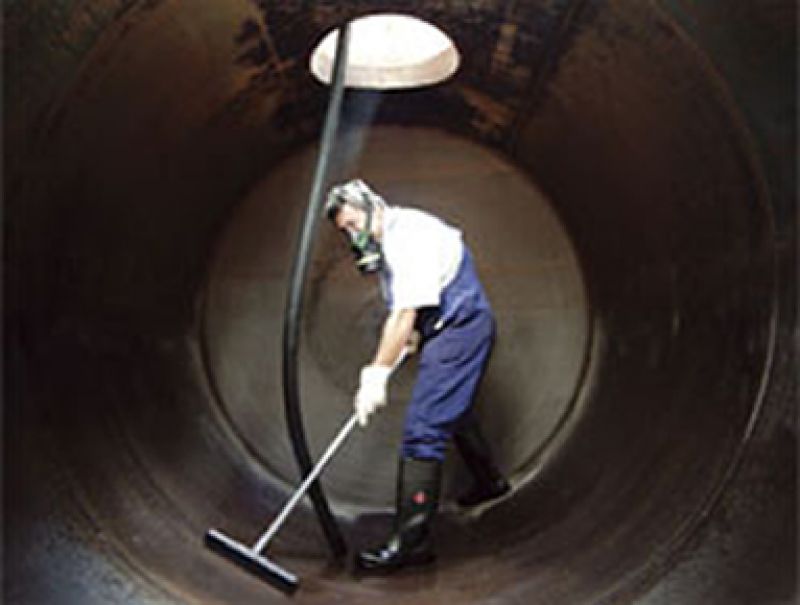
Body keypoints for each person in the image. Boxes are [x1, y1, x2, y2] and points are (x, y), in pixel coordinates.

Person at [324, 179, 510, 573]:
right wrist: (406, 343)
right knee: (451, 408)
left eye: (354, 224)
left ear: (372, 206)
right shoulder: (388, 246)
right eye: (346, 232)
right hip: (446, 326)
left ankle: (411, 544)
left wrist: (375, 374)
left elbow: (404, 314)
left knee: (423, 429)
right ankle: (489, 481)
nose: (354, 237)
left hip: (461, 327)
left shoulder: (407, 237)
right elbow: (412, 315)